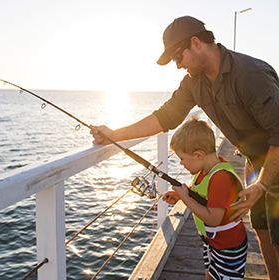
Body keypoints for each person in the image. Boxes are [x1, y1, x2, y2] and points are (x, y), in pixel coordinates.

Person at [90, 15, 279, 279]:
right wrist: (115, 134)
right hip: (253, 162)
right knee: (262, 229)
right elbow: (166, 116)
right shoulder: (194, 82)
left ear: (196, 43)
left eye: (178, 58)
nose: (178, 66)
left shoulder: (250, 75)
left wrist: (262, 185)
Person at [162, 116, 247, 280]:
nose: (181, 163)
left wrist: (185, 198)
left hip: (228, 247)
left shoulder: (220, 178)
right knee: (211, 274)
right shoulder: (205, 171)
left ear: (198, 155)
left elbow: (214, 219)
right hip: (213, 242)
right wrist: (180, 196)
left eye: (182, 158)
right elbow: (200, 193)